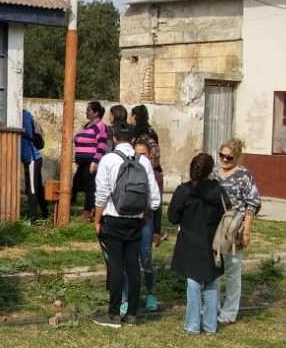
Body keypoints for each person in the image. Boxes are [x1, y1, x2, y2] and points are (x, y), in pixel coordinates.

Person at [91, 125, 161, 328]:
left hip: (113, 218)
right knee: (133, 265)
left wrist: (97, 220)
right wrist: (145, 217)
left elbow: (101, 194)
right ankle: (132, 314)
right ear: (132, 140)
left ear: (113, 138)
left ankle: (113, 314)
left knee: (115, 266)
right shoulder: (144, 161)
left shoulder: (108, 160)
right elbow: (154, 199)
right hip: (136, 221)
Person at [169, 153, 228, 335]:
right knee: (211, 281)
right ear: (211, 171)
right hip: (212, 242)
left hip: (189, 241)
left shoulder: (184, 191)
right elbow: (227, 212)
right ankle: (210, 325)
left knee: (193, 282)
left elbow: (172, 218)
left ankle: (192, 325)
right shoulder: (218, 190)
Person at [214, 138, 261, 326]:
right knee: (213, 270)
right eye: (222, 156)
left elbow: (253, 203)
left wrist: (247, 230)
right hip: (214, 227)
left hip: (234, 228)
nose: (225, 160)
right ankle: (213, 306)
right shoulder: (213, 174)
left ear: (237, 158)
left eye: (229, 158)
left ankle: (229, 312)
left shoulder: (244, 176)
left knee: (232, 271)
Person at [132, 138, 165, 312]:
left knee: (145, 257)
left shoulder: (157, 176)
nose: (139, 157)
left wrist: (157, 231)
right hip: (129, 221)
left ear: (149, 155)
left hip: (146, 221)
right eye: (136, 153)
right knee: (129, 260)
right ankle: (128, 296)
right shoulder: (126, 170)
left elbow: (157, 206)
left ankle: (151, 292)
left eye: (143, 154)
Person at [71, 101, 108, 219]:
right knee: (77, 183)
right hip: (82, 162)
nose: (86, 112)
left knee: (90, 186)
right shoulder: (87, 125)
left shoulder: (100, 125)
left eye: (89, 110)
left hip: (91, 161)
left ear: (96, 112)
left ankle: (88, 211)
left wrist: (95, 161)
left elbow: (102, 145)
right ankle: (85, 208)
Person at [21, 109, 49, 224]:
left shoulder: (24, 115)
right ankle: (45, 213)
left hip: (32, 158)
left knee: (31, 188)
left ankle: (32, 218)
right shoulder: (24, 114)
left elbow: (30, 133)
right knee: (37, 186)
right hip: (29, 158)